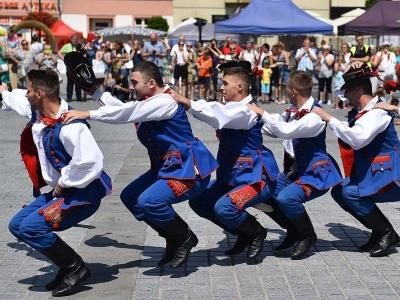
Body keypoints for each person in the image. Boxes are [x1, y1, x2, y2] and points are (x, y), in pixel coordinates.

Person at [61, 60, 219, 269]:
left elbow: (127, 114)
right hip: (170, 169)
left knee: (149, 201)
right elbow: (128, 108)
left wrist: (88, 113)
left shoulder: (164, 102)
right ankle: (172, 237)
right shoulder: (150, 102)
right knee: (131, 196)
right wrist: (95, 92)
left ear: (151, 83)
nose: (131, 86)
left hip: (189, 171)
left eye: (135, 82)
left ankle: (185, 237)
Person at [1, 68, 112, 297]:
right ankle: (66, 265)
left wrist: (64, 182)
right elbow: (16, 98)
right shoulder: (38, 111)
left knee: (31, 228)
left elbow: (92, 161)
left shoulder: (72, 125)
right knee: (17, 225)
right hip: (62, 192)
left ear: (40, 94)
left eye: (29, 90)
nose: (26, 94)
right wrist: (4, 92)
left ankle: (75, 267)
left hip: (83, 195)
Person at [169, 61, 280, 260]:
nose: (221, 87)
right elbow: (214, 108)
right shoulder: (230, 107)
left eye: (225, 83)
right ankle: (242, 233)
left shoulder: (246, 111)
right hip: (232, 177)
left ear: (239, 86)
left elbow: (220, 117)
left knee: (224, 207)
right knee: (199, 201)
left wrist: (185, 101)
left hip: (256, 179)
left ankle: (255, 232)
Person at [247, 70, 342, 259]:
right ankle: (293, 230)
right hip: (296, 172)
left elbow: (286, 131)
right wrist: (248, 122)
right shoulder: (292, 112)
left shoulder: (314, 116)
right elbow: (274, 127)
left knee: (286, 199)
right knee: (266, 192)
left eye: (287, 89)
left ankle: (308, 236)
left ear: (294, 92)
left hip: (316, 174)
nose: (286, 93)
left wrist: (262, 112)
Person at [312, 62, 400, 257]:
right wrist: (352, 70)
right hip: (378, 172)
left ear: (359, 89)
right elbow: (339, 92)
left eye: (349, 91)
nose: (344, 97)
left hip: (392, 174)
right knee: (340, 192)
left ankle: (386, 232)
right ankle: (379, 231)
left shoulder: (377, 113)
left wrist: (329, 118)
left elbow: (357, 140)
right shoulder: (366, 110)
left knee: (350, 192)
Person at [57, 34, 83, 102]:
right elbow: (59, 52)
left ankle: (79, 98)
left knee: (78, 83)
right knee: (70, 83)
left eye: (76, 39)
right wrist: (63, 59)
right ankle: (69, 98)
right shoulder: (67, 46)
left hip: (78, 68)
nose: (75, 40)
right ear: (71, 39)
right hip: (70, 67)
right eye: (74, 39)